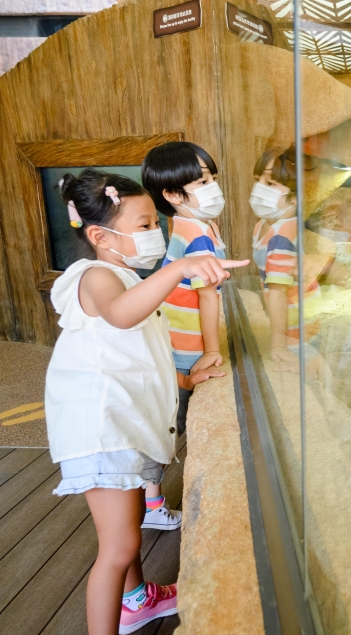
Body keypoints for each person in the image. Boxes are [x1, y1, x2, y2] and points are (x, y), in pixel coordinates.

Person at [48, 169, 247, 635]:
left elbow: (137, 357)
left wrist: (184, 381)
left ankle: (136, 604)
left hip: (126, 424)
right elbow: (121, 316)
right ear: (99, 236)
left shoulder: (127, 277)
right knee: (116, 549)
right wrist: (179, 269)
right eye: (141, 225)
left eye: (152, 223)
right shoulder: (96, 277)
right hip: (102, 431)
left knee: (131, 526)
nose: (152, 232)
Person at [141, 142, 228, 440]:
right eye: (203, 181)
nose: (213, 187)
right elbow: (207, 295)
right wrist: (213, 349)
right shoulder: (199, 234)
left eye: (213, 179)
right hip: (187, 344)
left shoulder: (190, 222)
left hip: (177, 333)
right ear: (173, 194)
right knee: (176, 419)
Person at [249, 149, 329, 368]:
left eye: (271, 184)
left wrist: (278, 344)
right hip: (284, 319)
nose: (259, 190)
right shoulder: (262, 226)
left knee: (304, 373)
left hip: (299, 329)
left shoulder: (282, 234)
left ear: (296, 195)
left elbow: (278, 292)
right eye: (258, 181)